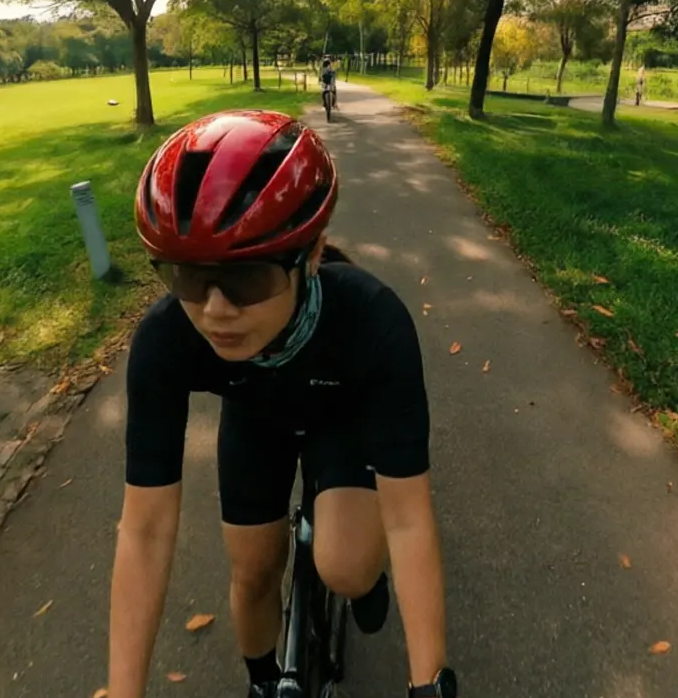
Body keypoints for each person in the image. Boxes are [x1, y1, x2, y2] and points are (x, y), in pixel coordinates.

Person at [107, 111, 456, 698]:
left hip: (342, 414)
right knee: (252, 571)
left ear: (313, 253)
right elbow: (144, 531)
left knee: (346, 564)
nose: (215, 310)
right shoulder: (166, 339)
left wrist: (431, 684)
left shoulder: (373, 321)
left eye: (248, 281)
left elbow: (409, 518)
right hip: (256, 419)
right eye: (187, 278)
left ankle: (363, 583)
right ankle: (264, 680)